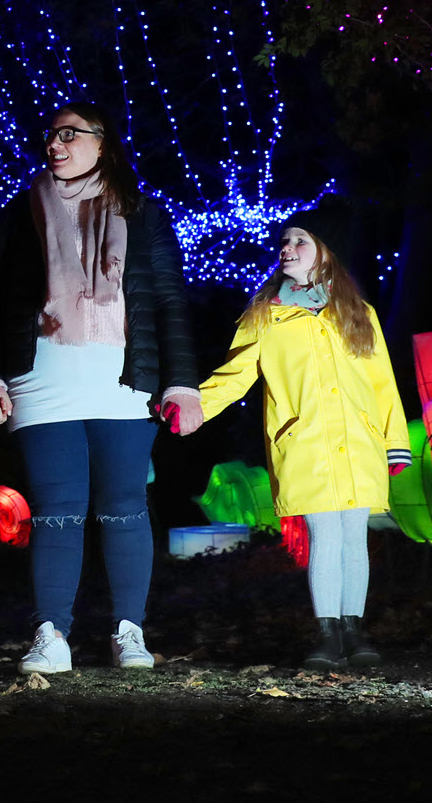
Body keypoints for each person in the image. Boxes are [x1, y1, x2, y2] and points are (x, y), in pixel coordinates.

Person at [0, 102, 199, 674]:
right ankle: (51, 635)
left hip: (124, 382)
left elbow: (170, 301)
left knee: (124, 507)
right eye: (50, 134)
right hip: (42, 379)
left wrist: (183, 384)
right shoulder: (21, 212)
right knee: (56, 510)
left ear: (102, 143)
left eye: (69, 134)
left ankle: (129, 632)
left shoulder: (143, 214)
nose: (55, 143)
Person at [168, 210, 410, 668]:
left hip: (359, 440)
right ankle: (327, 635)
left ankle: (354, 631)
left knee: (354, 537)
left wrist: (394, 440)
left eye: (299, 240)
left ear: (325, 252)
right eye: (284, 241)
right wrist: (196, 405)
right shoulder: (266, 315)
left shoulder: (359, 313)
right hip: (305, 442)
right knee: (324, 535)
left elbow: (383, 382)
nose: (287, 249)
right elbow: (235, 374)